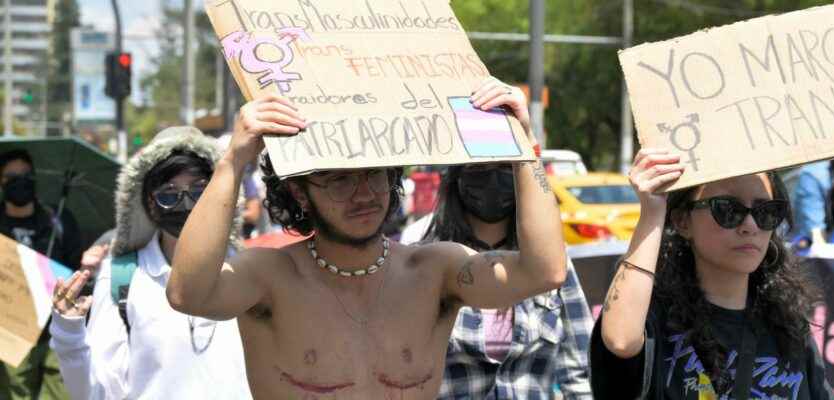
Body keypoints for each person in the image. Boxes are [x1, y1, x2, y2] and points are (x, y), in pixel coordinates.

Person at [166, 78, 567, 399]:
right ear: (301, 192)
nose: (364, 194)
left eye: (374, 174)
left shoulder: (434, 272)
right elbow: (189, 294)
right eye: (340, 180)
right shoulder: (269, 278)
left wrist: (523, 149)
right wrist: (234, 160)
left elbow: (544, 271)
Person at [590, 149, 834, 399]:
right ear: (683, 221)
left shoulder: (789, 325)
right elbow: (621, 342)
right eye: (728, 209)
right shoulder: (654, 320)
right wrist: (652, 211)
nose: (750, 225)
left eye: (766, 212)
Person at [47, 127, 252, 399]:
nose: (186, 203)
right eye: (169, 194)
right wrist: (68, 334)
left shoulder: (249, 271)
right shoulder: (123, 276)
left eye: (200, 190)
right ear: (148, 203)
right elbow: (96, 392)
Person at [416, 164, 593, 399]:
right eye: (482, 167)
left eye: (504, 167)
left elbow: (578, 371)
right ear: (456, 176)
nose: (493, 179)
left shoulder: (552, 263)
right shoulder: (425, 263)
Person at [0, 149, 82, 400]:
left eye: (26, 175)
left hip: (56, 332)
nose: (20, 181)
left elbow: (77, 269)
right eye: (12, 176)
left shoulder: (58, 220)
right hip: (11, 332)